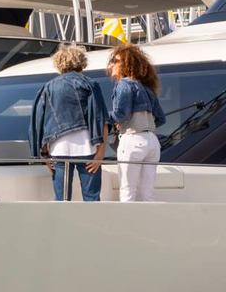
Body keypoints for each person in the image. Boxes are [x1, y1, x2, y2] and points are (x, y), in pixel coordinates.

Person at [29, 45, 110, 202]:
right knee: (92, 199)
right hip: (88, 148)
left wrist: (44, 154)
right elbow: (101, 119)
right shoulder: (90, 84)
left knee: (62, 200)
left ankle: (63, 226)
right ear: (82, 62)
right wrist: (100, 153)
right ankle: (94, 226)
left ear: (59, 63)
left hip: (58, 149)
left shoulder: (48, 87)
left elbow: (39, 121)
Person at [108, 44, 166, 201]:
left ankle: (127, 225)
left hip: (133, 140)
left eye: (115, 60)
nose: (111, 63)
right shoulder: (147, 89)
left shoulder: (124, 84)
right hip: (152, 142)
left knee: (127, 191)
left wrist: (103, 118)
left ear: (127, 64)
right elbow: (161, 118)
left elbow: (121, 114)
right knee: (148, 193)